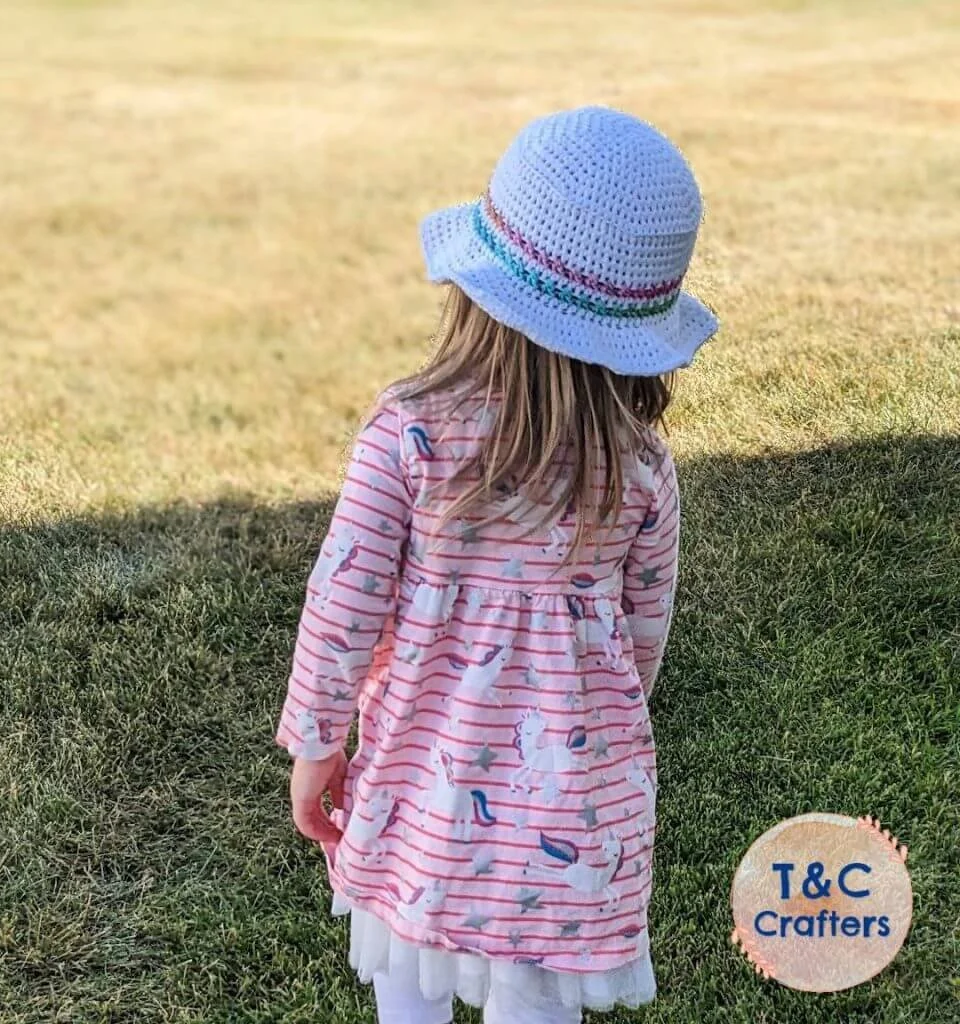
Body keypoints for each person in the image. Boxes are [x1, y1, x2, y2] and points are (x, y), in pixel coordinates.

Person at [276, 106, 719, 1024]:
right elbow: (643, 638)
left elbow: (342, 608)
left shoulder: (411, 433)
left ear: (480, 286)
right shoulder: (639, 464)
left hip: (420, 796)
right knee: (540, 995)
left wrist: (318, 747)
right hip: (577, 804)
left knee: (409, 973)